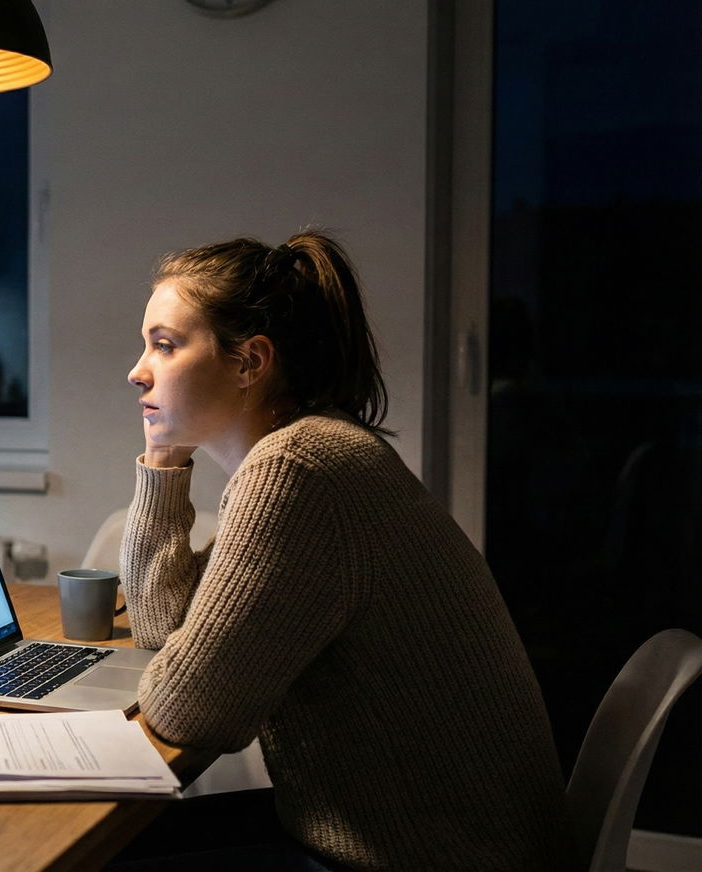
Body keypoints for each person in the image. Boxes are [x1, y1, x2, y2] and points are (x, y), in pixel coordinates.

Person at [115, 231, 571, 870]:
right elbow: (164, 628)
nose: (137, 371)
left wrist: (185, 669)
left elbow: (190, 713)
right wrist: (164, 459)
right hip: (423, 837)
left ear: (249, 363)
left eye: (164, 345)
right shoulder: (315, 449)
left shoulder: (297, 470)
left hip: (431, 855)